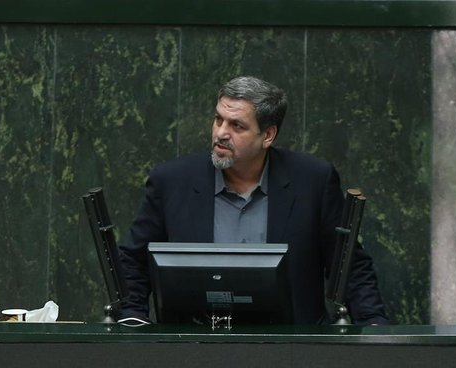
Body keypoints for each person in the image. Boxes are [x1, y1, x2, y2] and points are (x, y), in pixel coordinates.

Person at [119, 76, 388, 325]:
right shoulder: (171, 181)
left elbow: (349, 266)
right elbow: (134, 260)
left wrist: (373, 326)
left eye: (237, 125)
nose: (221, 133)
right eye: (218, 119)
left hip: (292, 350)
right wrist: (132, 321)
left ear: (267, 135)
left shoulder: (313, 181)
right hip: (196, 348)